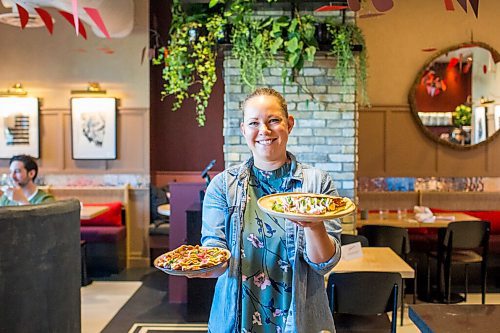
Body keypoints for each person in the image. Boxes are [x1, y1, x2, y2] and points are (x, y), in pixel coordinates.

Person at [199, 88, 341, 333]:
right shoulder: (223, 186)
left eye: (273, 120)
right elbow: (215, 251)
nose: (264, 131)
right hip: (236, 321)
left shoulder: (317, 185)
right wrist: (203, 266)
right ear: (243, 129)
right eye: (254, 123)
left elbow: (323, 265)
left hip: (300, 322)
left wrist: (314, 223)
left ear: (290, 124)